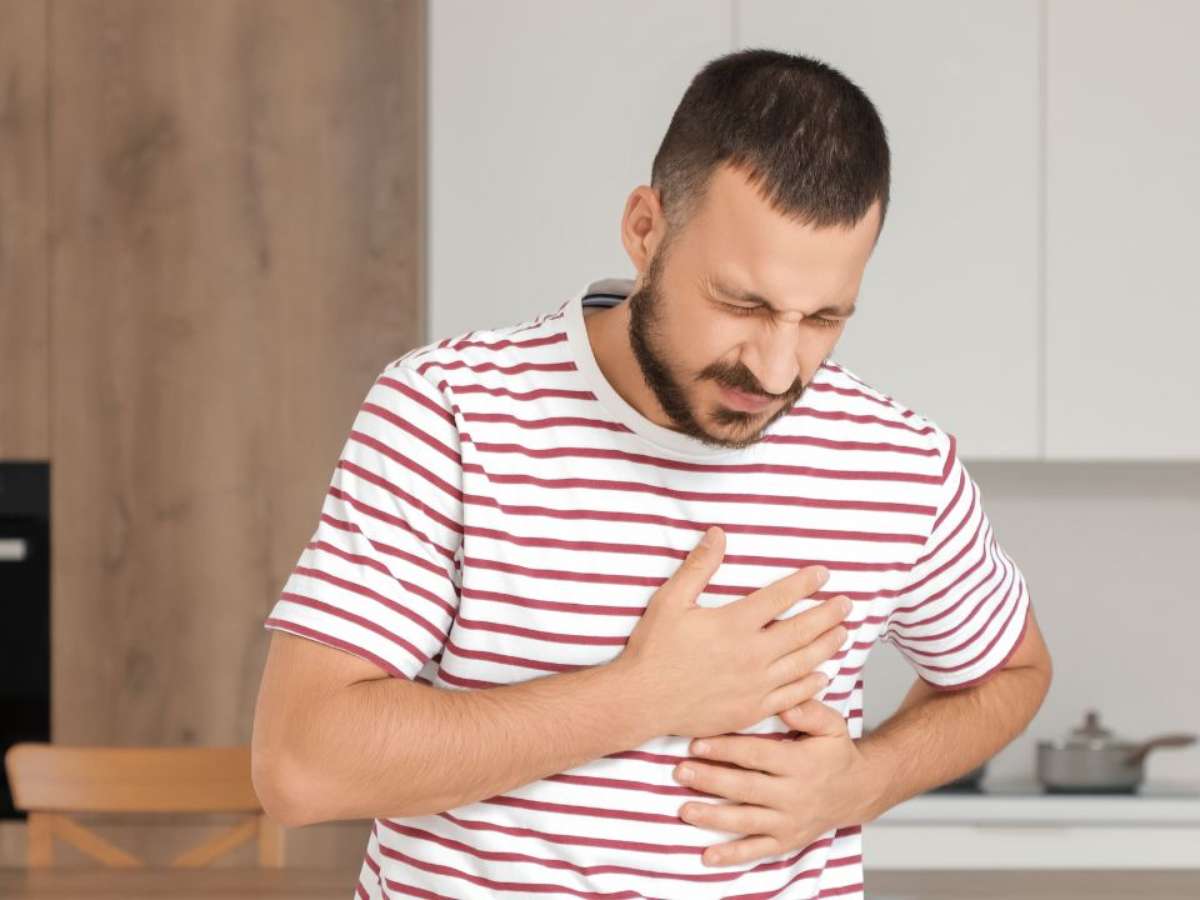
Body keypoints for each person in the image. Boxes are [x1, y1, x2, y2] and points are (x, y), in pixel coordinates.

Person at [251, 47, 1052, 900]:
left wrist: (865, 782)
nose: (777, 369)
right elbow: (302, 767)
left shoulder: (898, 462)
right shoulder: (450, 411)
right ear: (644, 229)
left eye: (822, 318)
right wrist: (642, 697)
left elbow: (1012, 674)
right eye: (742, 304)